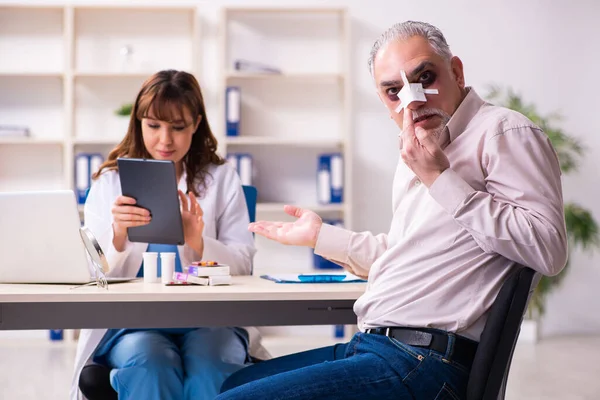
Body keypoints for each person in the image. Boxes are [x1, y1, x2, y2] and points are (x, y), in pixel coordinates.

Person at [216, 21, 568, 400]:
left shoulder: (502, 132)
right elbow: (407, 253)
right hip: (376, 346)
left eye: (425, 76)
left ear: (457, 72)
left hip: (424, 362)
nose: (412, 100)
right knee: (234, 383)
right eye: (393, 91)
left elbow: (548, 248)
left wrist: (440, 178)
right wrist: (320, 236)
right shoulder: (417, 150)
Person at [70, 70, 260, 400]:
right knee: (150, 363)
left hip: (210, 320)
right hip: (132, 323)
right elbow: (89, 272)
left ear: (196, 123)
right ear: (139, 123)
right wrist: (117, 235)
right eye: (154, 125)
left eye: (178, 127)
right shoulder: (110, 183)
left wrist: (197, 241)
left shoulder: (221, 178)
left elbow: (243, 264)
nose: (165, 140)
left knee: (210, 365)